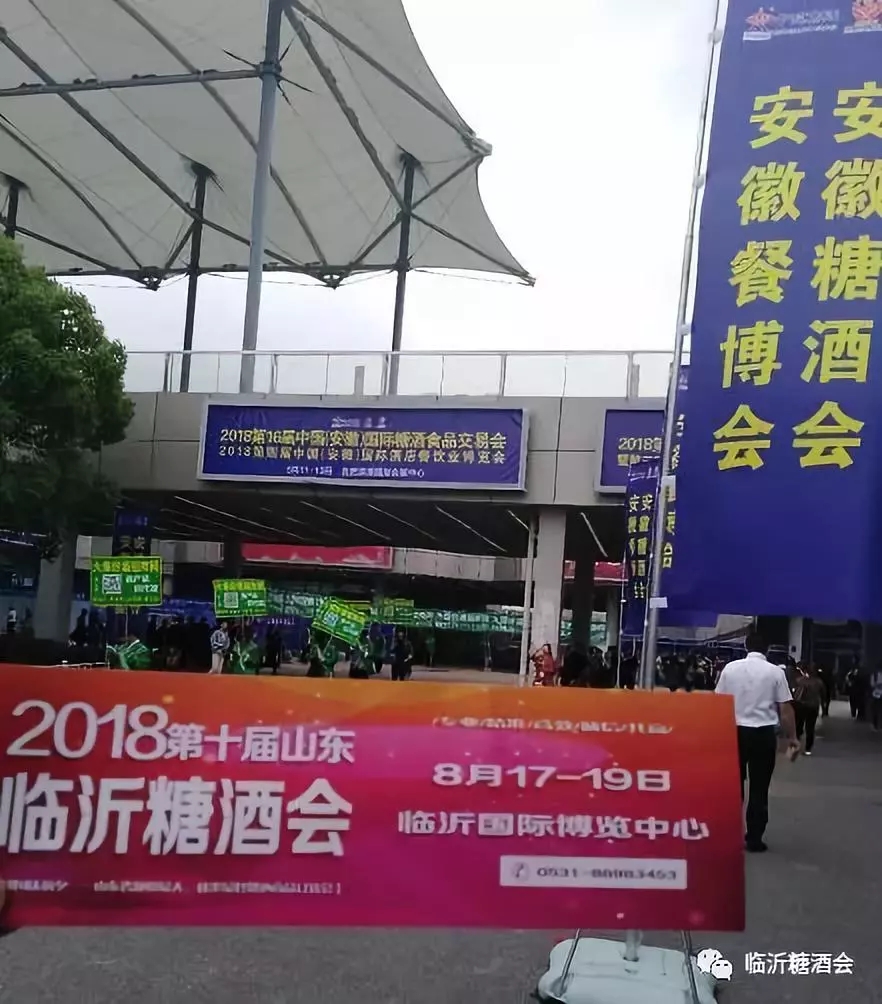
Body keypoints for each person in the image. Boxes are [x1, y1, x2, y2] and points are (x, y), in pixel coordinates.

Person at [715, 632, 798, 853]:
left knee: (733, 787)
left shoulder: (730, 669)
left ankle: (730, 833)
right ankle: (754, 838)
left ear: (745, 646)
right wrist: (793, 737)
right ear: (767, 649)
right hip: (763, 734)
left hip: (734, 732)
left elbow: (718, 703)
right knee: (760, 787)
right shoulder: (775, 672)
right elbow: (786, 709)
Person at [790, 662, 823, 756]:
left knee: (798, 727)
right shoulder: (819, 682)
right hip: (813, 707)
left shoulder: (799, 680)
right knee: (810, 728)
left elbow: (794, 694)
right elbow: (823, 694)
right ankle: (808, 749)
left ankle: (795, 747)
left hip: (800, 706)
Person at [870, 665, 882, 732]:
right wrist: (878, 685)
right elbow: (872, 684)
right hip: (876, 694)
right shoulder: (875, 675)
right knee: (876, 710)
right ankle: (875, 725)